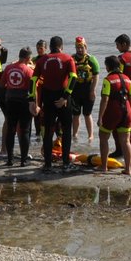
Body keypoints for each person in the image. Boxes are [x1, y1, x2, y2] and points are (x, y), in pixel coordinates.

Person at [37, 35, 77, 170]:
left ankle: (47, 164)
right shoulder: (68, 58)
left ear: (51, 46)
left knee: (48, 131)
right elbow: (73, 78)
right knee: (66, 130)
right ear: (62, 46)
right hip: (63, 97)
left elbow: (33, 80)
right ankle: (65, 162)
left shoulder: (42, 59)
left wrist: (34, 101)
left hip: (47, 97)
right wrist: (65, 97)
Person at [0, 46, 37, 166]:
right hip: (24, 102)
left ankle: (9, 160)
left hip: (10, 101)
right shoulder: (29, 71)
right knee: (24, 131)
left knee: (11, 130)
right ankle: (23, 161)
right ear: (28, 58)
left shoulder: (9, 68)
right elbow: (33, 89)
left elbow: (1, 84)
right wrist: (35, 104)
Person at [96, 54, 131, 175]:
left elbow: (105, 99)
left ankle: (104, 166)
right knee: (126, 141)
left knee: (103, 137)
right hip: (127, 112)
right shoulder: (128, 79)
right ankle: (128, 169)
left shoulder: (108, 80)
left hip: (113, 112)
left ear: (108, 67)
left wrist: (100, 117)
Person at [69, 37, 102, 144]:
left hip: (87, 89)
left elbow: (96, 76)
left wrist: (93, 91)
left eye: (81, 47)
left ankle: (90, 135)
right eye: (77, 47)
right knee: (76, 114)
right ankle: (75, 135)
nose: (79, 50)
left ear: (85, 47)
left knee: (87, 114)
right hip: (75, 90)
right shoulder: (71, 59)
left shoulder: (92, 59)